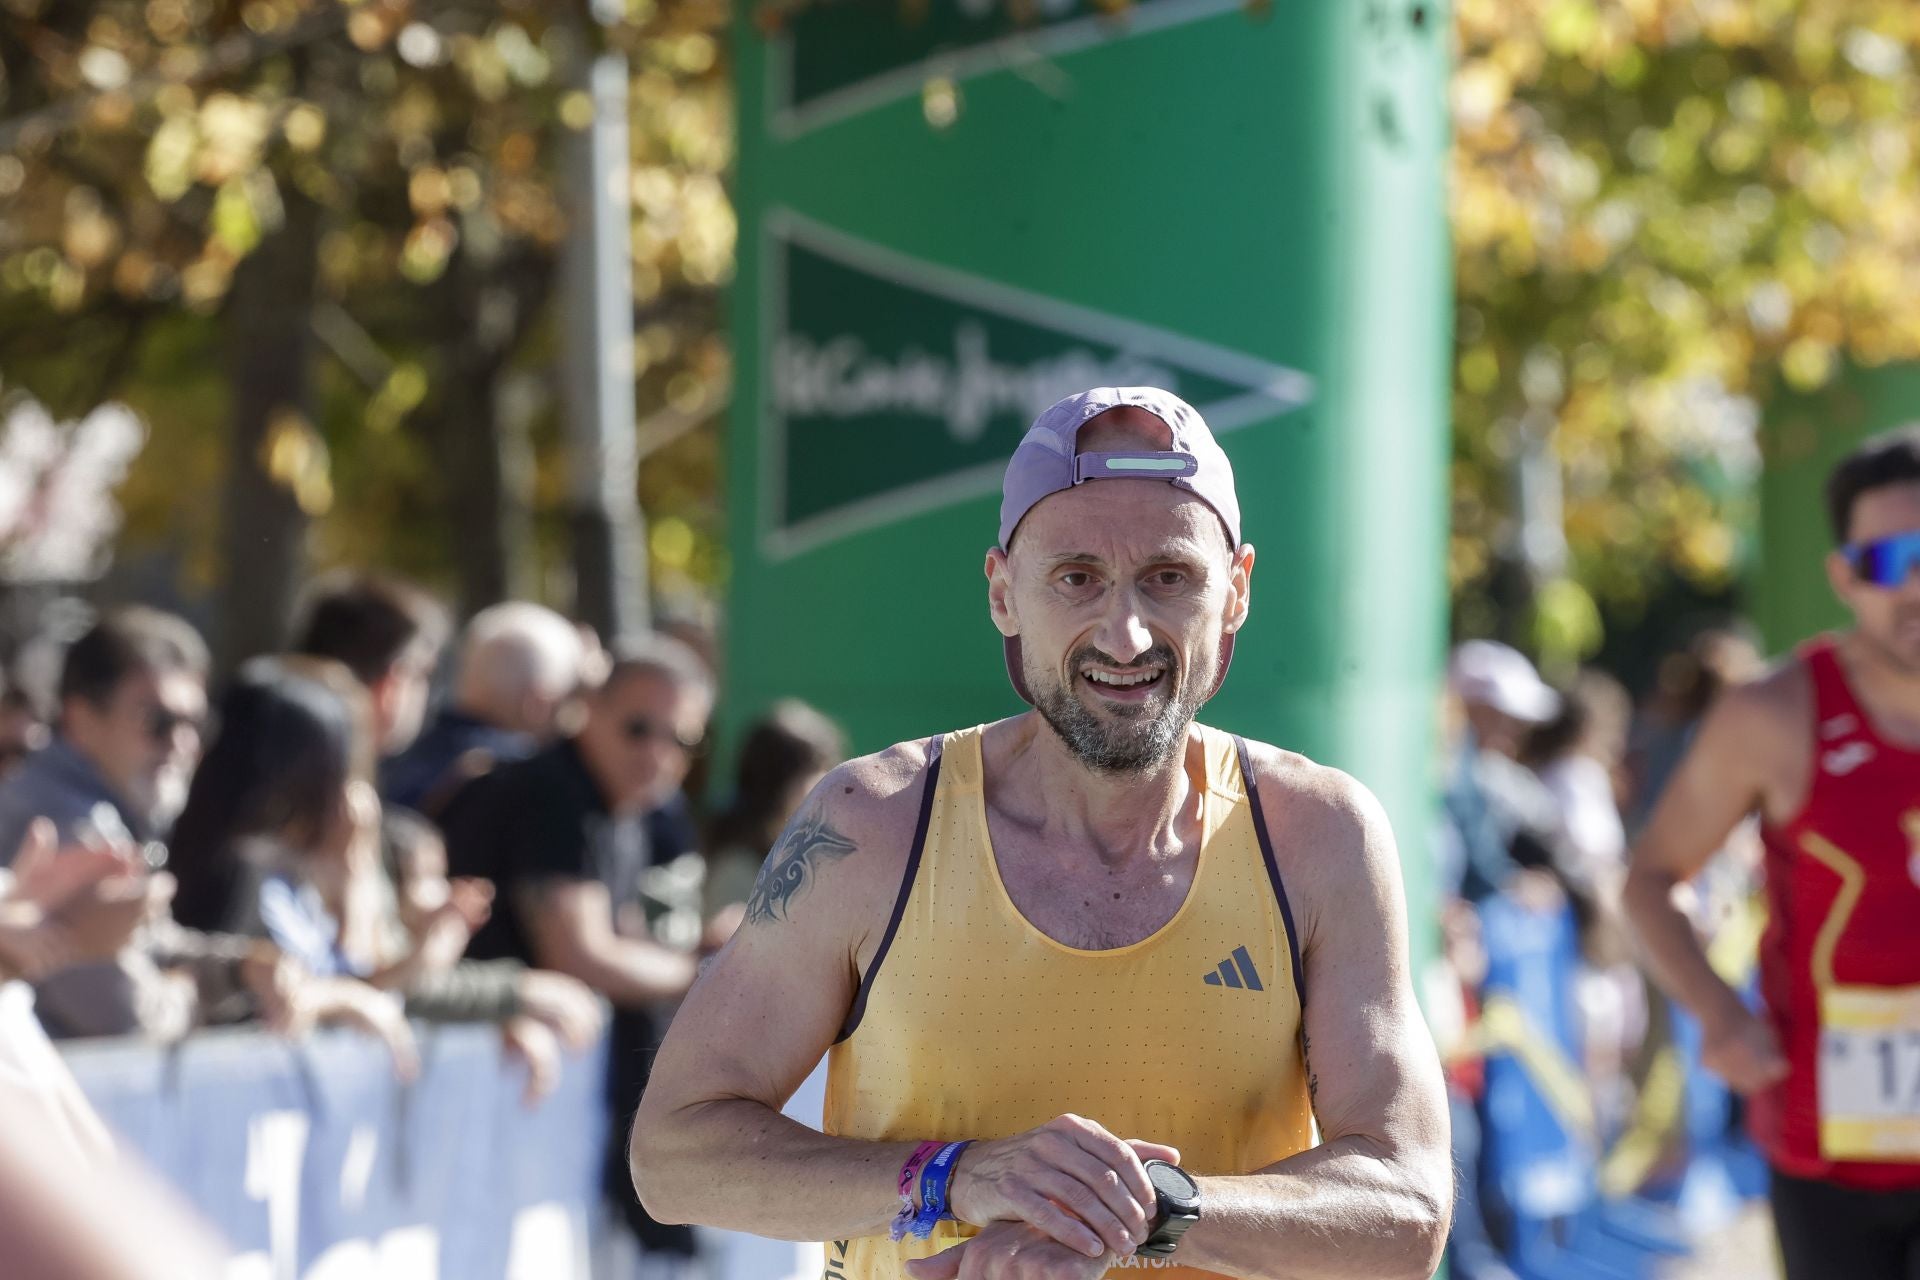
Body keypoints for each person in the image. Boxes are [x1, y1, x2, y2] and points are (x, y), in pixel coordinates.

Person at [629, 387, 1451, 1280]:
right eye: (1078, 577)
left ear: (1237, 593)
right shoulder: (874, 823)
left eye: (1169, 578)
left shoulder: (1317, 834)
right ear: (1003, 593)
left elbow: (1406, 1205)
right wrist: (959, 1178)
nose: (1127, 633)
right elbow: (673, 1155)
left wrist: (1142, 1213)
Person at [1625, 425, 1920, 1279]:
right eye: (1888, 559)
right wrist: (1718, 1012)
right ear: (1844, 576)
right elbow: (1649, 879)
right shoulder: (1775, 714)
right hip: (1824, 1139)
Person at [440, 633, 716, 1260]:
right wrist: (708, 970)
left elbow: (617, 943)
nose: (658, 753)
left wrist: (699, 956)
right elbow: (581, 954)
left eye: (683, 740)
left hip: (529, 1110)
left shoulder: (615, 806)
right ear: (588, 707)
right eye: (639, 728)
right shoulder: (553, 792)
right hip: (480, 1093)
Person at [0, 606, 208, 863]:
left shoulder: (41, 792)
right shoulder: (80, 833)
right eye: (157, 721)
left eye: (195, 724)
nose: (181, 743)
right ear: (82, 717)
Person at [702, 699, 846, 934]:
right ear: (774, 782)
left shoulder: (808, 851)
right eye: (815, 768)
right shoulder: (736, 864)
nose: (828, 783)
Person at [290, 571, 448, 759]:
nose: (423, 692)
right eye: (420, 674)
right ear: (391, 684)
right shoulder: (345, 786)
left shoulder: (267, 756)